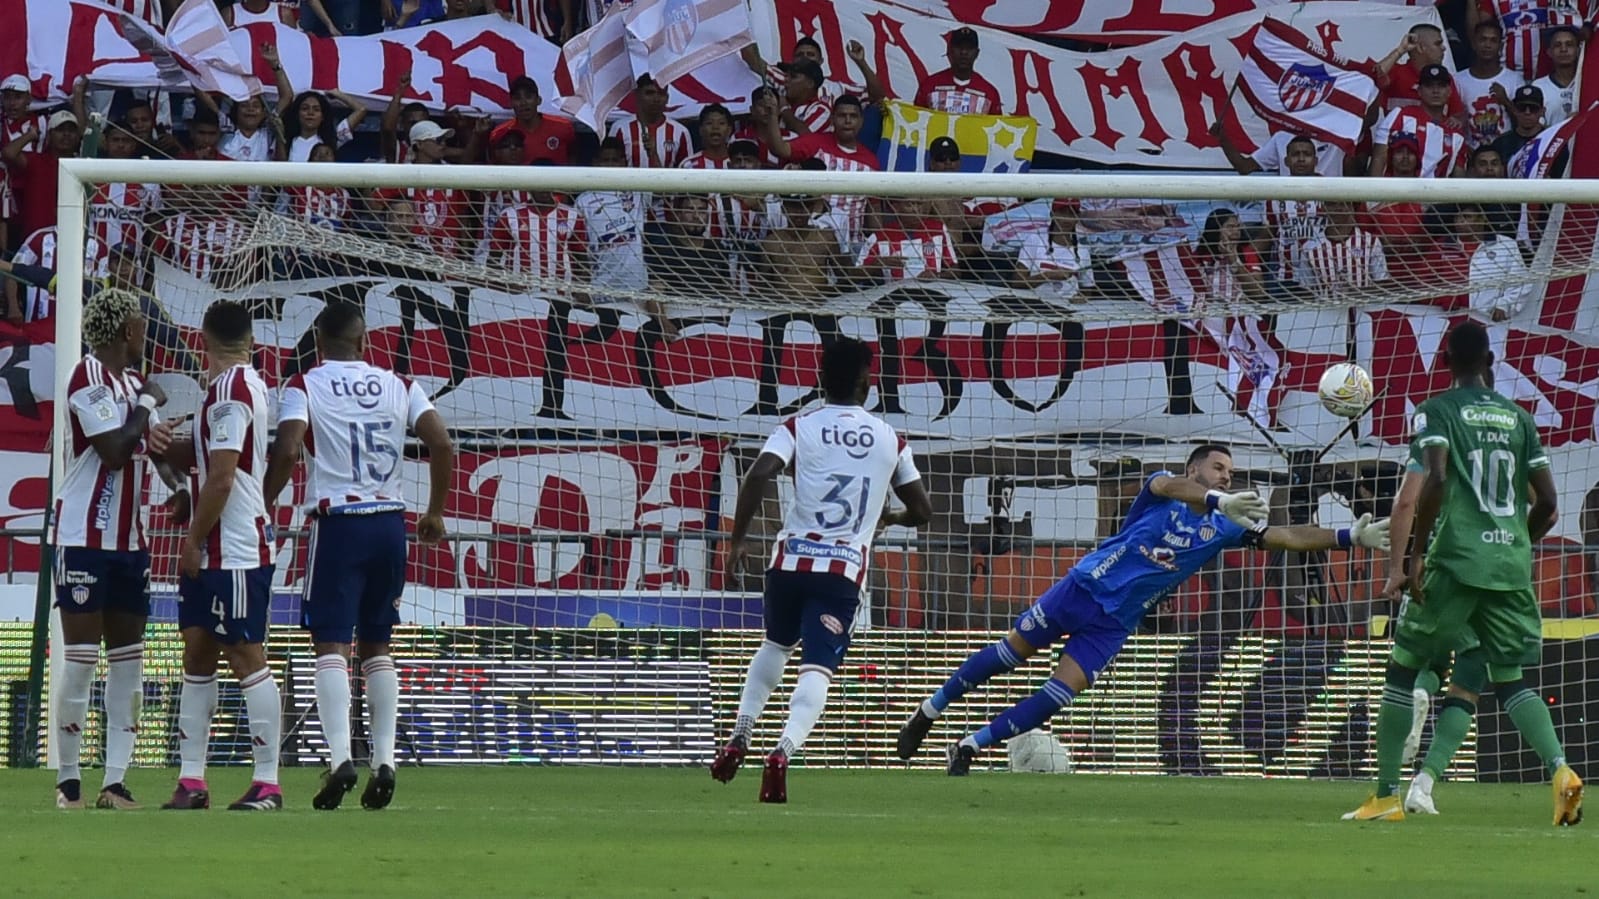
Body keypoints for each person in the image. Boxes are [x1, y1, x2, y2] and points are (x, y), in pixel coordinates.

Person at [896, 444, 1390, 773]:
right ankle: (928, 711)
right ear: (1196, 468)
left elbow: (1285, 535)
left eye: (1231, 473)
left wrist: (1349, 536)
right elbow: (1170, 487)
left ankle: (968, 745)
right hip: (1083, 588)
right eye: (1219, 468)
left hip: (1114, 622)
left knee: (1059, 696)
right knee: (1008, 655)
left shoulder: (1225, 527)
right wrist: (1219, 498)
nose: (1227, 475)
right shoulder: (1163, 489)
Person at [1345, 320, 1582, 825]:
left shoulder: (1436, 412)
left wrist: (1413, 557)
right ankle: (1561, 771)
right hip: (1510, 567)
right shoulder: (1520, 419)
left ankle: (1386, 796)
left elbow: (1433, 479)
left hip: (1455, 560)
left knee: (1404, 666)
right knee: (1510, 679)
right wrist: (1518, 542)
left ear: (1445, 361)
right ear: (1491, 362)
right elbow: (1551, 506)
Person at [711, 338, 932, 802]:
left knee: (775, 644)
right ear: (866, 382)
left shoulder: (798, 425)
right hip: (842, 570)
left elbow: (758, 474)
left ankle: (741, 733)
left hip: (789, 561)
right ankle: (782, 752)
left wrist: (736, 540)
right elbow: (922, 510)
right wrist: (889, 517)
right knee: (818, 666)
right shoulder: (891, 438)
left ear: (819, 380)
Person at [263, 303, 454, 810]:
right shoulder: (400, 383)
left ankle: (341, 758)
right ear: (365, 341)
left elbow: (286, 449)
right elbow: (441, 443)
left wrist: (263, 500)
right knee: (378, 646)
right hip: (390, 523)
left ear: (319, 344)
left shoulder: (305, 384)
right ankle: (386, 761)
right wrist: (434, 513)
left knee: (330, 646)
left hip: (338, 525)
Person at [49, 288, 185, 810]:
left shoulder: (130, 382)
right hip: (83, 537)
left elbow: (151, 450)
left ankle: (115, 782)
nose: (146, 332)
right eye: (141, 324)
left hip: (129, 542)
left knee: (129, 662)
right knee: (81, 661)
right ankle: (68, 783)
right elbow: (112, 451)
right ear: (127, 332)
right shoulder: (87, 376)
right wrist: (148, 403)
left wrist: (179, 489)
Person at [163, 300, 283, 811]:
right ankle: (192, 781)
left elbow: (224, 474)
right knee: (197, 648)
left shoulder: (232, 391)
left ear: (203, 341)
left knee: (244, 653)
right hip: (218, 542)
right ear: (250, 340)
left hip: (232, 547)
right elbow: (209, 466)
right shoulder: (231, 388)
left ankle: (268, 782)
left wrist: (192, 538)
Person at [1370, 64, 1468, 178]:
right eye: (1429, 86)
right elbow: (1379, 159)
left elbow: (1458, 178)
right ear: (1419, 91)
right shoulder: (1399, 115)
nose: (1435, 91)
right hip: (1395, 193)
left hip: (1434, 194)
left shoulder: (1455, 133)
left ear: (1449, 91)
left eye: (1441, 86)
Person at [1453, 19, 1523, 150]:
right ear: (1474, 44)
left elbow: (1525, 123)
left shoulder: (1515, 79)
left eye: (1493, 40)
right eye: (1483, 39)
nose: (1487, 45)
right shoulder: (1457, 80)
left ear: (1501, 46)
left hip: (1505, 154)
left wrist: (1506, 101)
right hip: (1470, 155)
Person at [609, 75, 691, 169]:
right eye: (649, 93)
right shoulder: (620, 128)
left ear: (667, 98)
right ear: (637, 95)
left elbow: (686, 173)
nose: (656, 99)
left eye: (661, 93)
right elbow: (611, 165)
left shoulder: (680, 132)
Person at [489, 76, 576, 165]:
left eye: (528, 97)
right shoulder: (499, 134)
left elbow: (573, 158)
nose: (523, 103)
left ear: (538, 100)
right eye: (518, 98)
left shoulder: (563, 127)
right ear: (511, 103)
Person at [915, 27, 1003, 115]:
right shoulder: (929, 85)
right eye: (959, 47)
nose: (964, 52)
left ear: (977, 53)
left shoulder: (989, 93)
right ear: (949, 50)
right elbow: (915, 121)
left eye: (969, 48)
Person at [1531, 25, 1580, 126]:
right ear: (1549, 52)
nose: (1563, 49)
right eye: (1558, 45)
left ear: (1578, 51)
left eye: (1569, 44)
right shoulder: (1538, 86)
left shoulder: (1589, 83)